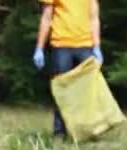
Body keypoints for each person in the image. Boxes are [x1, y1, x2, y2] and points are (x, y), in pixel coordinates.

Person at [33, 0, 104, 138]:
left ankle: (87, 131)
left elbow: (94, 17)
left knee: (87, 91)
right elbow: (46, 17)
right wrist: (39, 47)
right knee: (62, 90)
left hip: (86, 45)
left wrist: (97, 46)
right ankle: (60, 131)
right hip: (61, 45)